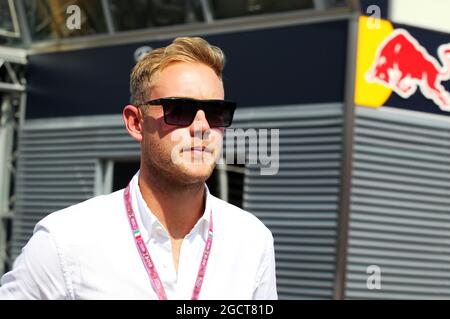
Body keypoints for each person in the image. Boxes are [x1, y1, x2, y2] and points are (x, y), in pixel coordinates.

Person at [0, 37, 277, 300]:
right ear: (135, 122)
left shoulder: (252, 240)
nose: (202, 128)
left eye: (216, 112)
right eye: (180, 110)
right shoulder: (64, 242)